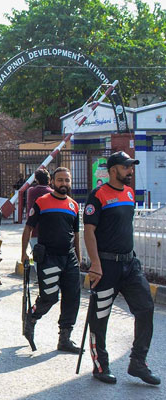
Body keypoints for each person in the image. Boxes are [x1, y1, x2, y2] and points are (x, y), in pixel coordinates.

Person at [84, 151, 160, 385]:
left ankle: (138, 362)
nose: (130, 171)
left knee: (146, 308)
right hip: (105, 266)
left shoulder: (128, 193)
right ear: (113, 169)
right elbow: (89, 231)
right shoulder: (98, 195)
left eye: (131, 167)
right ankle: (100, 365)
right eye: (127, 167)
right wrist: (95, 263)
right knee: (100, 318)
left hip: (130, 264)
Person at [20, 167, 82, 353]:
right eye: (60, 180)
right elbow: (28, 229)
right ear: (53, 182)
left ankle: (65, 338)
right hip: (48, 257)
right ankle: (31, 317)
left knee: (72, 298)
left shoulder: (73, 205)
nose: (64, 183)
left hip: (69, 258)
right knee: (49, 297)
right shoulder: (42, 202)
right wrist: (23, 253)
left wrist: (78, 258)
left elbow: (76, 234)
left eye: (67, 180)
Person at [26, 168, 53, 249]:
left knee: (37, 257)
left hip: (33, 229)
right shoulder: (52, 193)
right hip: (49, 231)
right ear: (49, 179)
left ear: (36, 180)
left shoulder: (31, 191)